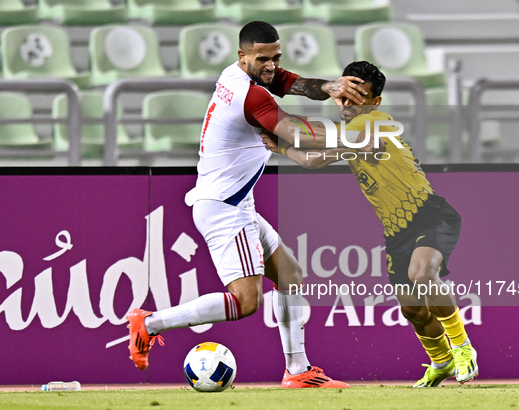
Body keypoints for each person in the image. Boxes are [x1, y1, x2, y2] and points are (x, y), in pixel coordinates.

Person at [127, 21, 370, 389]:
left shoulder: (241, 75)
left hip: (234, 204)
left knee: (290, 274)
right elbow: (299, 135)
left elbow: (295, 83)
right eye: (263, 59)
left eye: (276, 57)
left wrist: (331, 86)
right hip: (224, 208)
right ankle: (149, 323)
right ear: (242, 56)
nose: (271, 66)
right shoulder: (251, 96)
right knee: (245, 302)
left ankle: (298, 371)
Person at [261, 61, 479, 388]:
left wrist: (274, 122)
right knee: (414, 311)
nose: (347, 104)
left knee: (422, 274)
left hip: (429, 213)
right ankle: (441, 361)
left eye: (357, 97)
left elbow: (312, 141)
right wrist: (278, 147)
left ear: (375, 102)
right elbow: (313, 158)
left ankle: (462, 348)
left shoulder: (376, 124)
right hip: (397, 232)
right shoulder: (352, 135)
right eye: (343, 97)